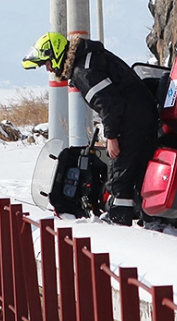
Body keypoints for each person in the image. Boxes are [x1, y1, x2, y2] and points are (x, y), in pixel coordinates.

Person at [23, 32, 159, 226]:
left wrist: (111, 136)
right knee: (139, 171)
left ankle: (121, 226)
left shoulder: (84, 72)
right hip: (142, 113)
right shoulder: (89, 57)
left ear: (56, 55)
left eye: (47, 63)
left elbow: (110, 105)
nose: (48, 68)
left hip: (133, 119)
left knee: (120, 177)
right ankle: (151, 220)